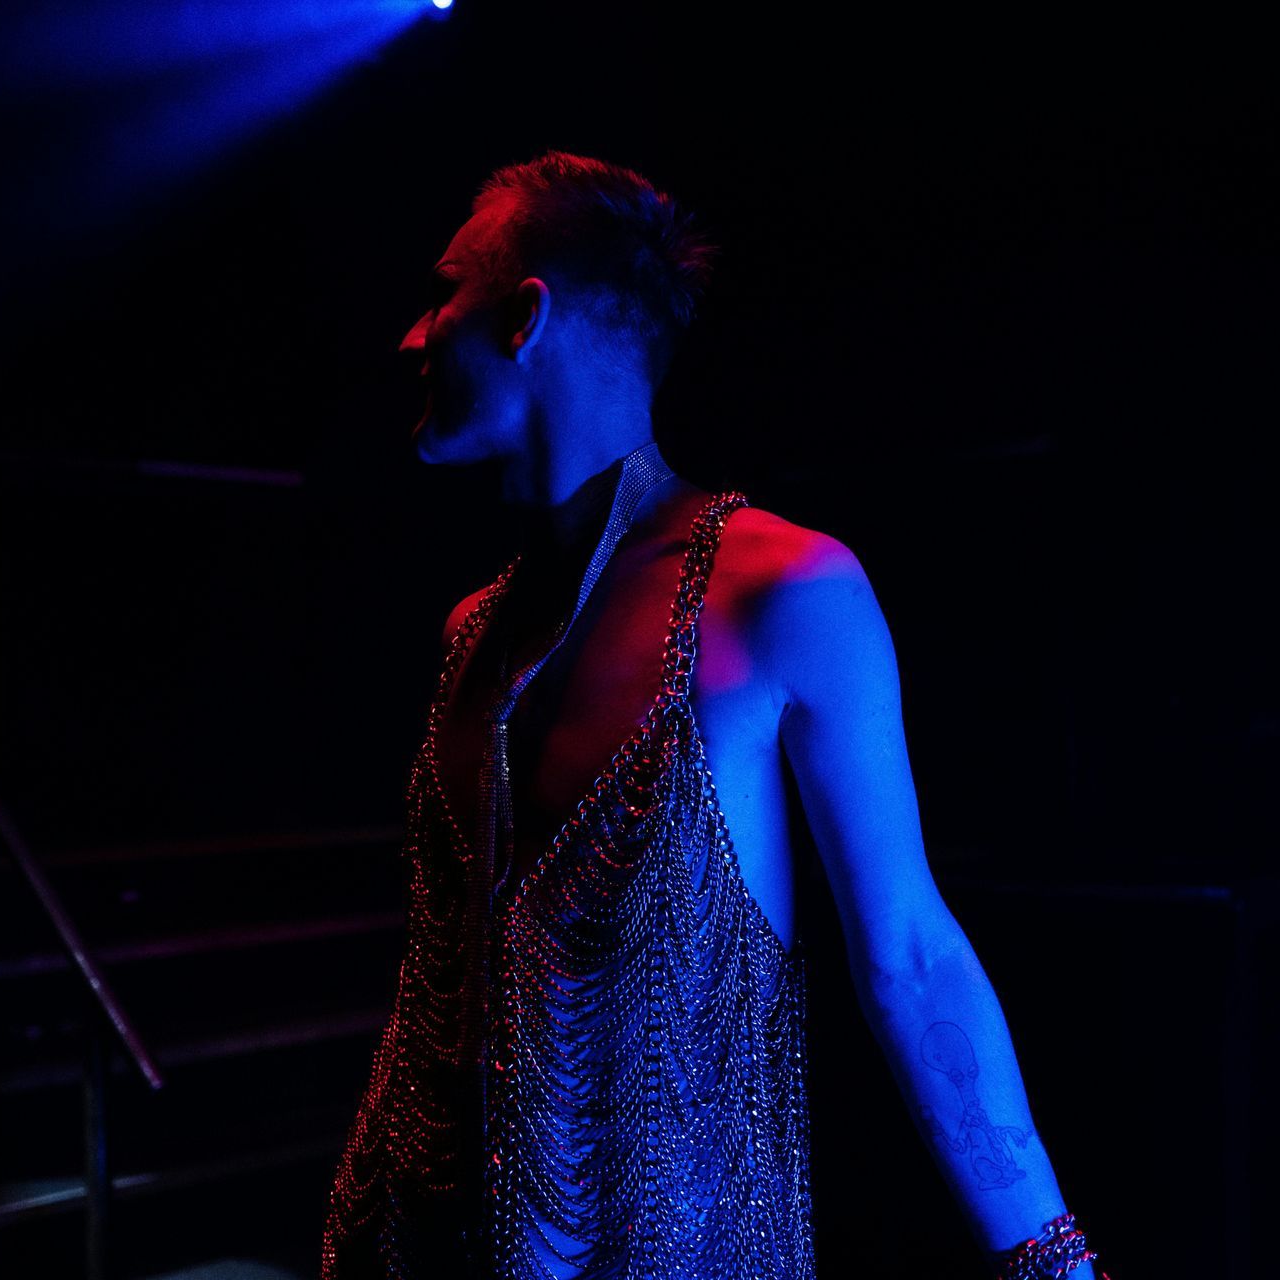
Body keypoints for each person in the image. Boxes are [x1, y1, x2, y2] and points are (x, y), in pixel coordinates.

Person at [321, 150, 1109, 1280]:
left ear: (524, 318)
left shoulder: (782, 590)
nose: (413, 334)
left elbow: (911, 953)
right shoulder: (467, 633)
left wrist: (1052, 1261)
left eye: (446, 289)